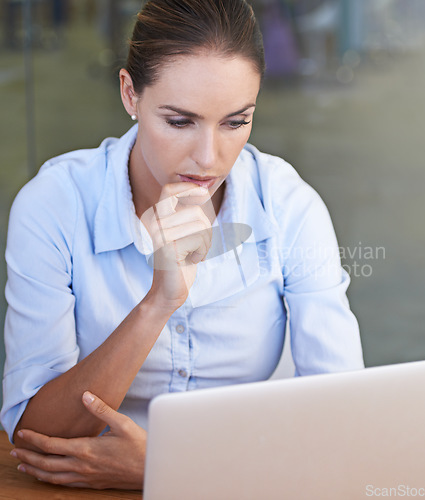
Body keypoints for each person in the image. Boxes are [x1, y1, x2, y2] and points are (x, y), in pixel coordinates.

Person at [0, 0, 364, 490]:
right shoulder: (55, 205)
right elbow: (35, 434)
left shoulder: (289, 207)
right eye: (179, 121)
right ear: (130, 93)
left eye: (236, 122)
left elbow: (347, 426)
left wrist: (169, 469)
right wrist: (159, 302)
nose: (209, 157)